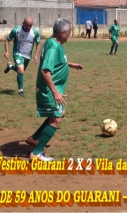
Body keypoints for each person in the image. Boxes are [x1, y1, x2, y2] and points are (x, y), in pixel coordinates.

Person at [26, 18, 83, 161]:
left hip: (52, 88)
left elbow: (53, 62)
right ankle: (36, 153)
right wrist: (55, 92)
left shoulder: (54, 43)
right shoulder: (53, 46)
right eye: (69, 32)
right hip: (49, 89)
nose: (70, 34)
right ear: (62, 33)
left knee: (59, 113)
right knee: (56, 118)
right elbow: (45, 70)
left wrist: (68, 64)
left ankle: (34, 139)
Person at [3, 17, 41, 97]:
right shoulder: (16, 30)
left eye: (30, 26)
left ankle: (10, 66)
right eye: (27, 25)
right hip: (18, 53)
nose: (29, 28)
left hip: (27, 56)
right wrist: (7, 51)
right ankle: (21, 90)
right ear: (23, 23)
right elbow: (7, 40)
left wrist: (36, 55)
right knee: (20, 69)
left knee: (20, 71)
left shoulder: (34, 32)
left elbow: (38, 43)